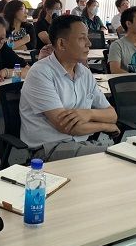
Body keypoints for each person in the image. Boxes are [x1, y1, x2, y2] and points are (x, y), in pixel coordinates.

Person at [19, 15, 119, 162]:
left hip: (82, 144)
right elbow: (67, 127)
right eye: (82, 38)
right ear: (61, 44)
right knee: (115, 159)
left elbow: (112, 115)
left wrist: (88, 114)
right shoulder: (40, 72)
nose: (89, 43)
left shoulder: (84, 73)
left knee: (124, 157)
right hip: (50, 150)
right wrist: (105, 126)